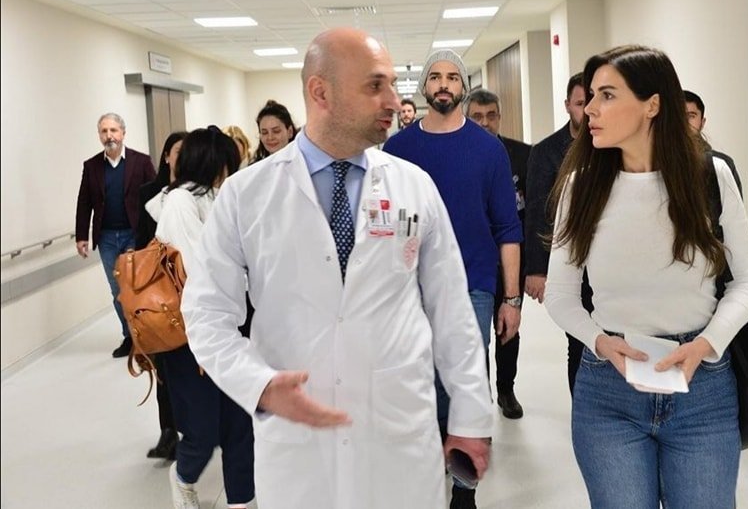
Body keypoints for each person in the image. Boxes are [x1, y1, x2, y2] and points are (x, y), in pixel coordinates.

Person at [179, 28, 494, 509]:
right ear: (320, 92)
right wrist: (258, 385)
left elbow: (452, 310)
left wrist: (470, 416)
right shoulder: (247, 195)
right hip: (298, 443)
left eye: (392, 85)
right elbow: (205, 314)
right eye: (375, 86)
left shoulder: (414, 186)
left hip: (399, 427)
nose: (394, 100)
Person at [543, 45, 748, 509]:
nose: (590, 109)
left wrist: (707, 344)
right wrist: (600, 342)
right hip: (609, 390)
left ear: (652, 104)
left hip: (702, 387)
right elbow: (561, 295)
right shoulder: (581, 187)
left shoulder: (710, 177)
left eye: (607, 95)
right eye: (590, 96)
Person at [385, 50, 522, 509]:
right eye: (435, 77)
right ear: (424, 87)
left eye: (452, 77)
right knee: (417, 382)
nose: (443, 84)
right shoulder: (397, 150)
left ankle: (464, 491)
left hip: (473, 284)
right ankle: (427, 470)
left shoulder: (489, 150)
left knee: (466, 381)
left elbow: (507, 229)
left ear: (463, 87)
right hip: (409, 287)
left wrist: (512, 300)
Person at [146, 126, 253, 509]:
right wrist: (205, 343)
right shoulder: (178, 202)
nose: (229, 172)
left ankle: (241, 501)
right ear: (212, 162)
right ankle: (183, 478)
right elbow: (197, 272)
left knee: (240, 425)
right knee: (202, 431)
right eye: (226, 163)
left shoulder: (217, 195)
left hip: (232, 328)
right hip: (192, 335)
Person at [524, 73, 595, 394]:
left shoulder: (613, 145)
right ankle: (581, 409)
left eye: (592, 102)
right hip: (570, 261)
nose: (588, 110)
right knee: (579, 341)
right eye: (580, 103)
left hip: (610, 263)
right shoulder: (546, 152)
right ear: (568, 106)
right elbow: (538, 211)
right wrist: (537, 269)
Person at [464, 88, 530, 419]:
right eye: (477, 117)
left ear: (500, 117)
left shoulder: (522, 155)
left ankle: (506, 389)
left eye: (491, 116)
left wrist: (533, 268)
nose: (485, 123)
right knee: (475, 336)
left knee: (507, 329)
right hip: (476, 259)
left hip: (510, 257)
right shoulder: (462, 155)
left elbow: (531, 213)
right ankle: (481, 398)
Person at [75, 112, 156, 358]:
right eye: (104, 131)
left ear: (123, 133)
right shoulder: (91, 166)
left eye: (113, 130)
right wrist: (81, 236)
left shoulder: (141, 162)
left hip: (135, 235)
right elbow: (84, 201)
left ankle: (148, 336)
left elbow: (154, 197)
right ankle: (130, 338)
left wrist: (156, 232)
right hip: (107, 238)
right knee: (118, 291)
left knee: (138, 288)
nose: (109, 135)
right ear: (99, 135)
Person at [135, 130, 188, 461]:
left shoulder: (196, 192)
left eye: (187, 151)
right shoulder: (149, 194)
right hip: (158, 291)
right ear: (166, 156)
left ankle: (191, 427)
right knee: (163, 364)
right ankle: (168, 431)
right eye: (177, 150)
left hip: (189, 289)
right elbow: (140, 241)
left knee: (186, 364)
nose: (181, 157)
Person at [684, 90, 743, 195]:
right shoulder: (656, 163)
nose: (684, 122)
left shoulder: (720, 165)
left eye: (691, 116)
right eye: (678, 116)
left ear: (702, 122)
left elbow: (734, 205)